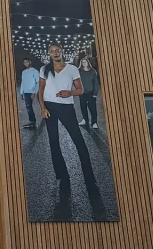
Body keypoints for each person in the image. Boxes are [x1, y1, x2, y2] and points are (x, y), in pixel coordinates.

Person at [38, 42, 100, 196]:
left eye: (57, 50)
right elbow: (40, 91)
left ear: (62, 51)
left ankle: (89, 175)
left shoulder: (72, 69)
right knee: (54, 141)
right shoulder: (44, 69)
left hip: (66, 108)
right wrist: (43, 108)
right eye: (52, 51)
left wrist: (69, 93)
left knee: (78, 139)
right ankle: (62, 175)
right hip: (49, 107)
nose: (55, 53)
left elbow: (80, 90)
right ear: (49, 54)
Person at [77, 57, 100, 129]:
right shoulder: (79, 71)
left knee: (92, 108)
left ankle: (94, 122)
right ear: (81, 63)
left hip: (91, 92)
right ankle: (85, 119)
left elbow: (96, 83)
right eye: (82, 62)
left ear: (88, 63)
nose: (84, 63)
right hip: (82, 93)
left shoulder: (93, 72)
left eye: (85, 62)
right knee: (83, 107)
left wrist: (95, 93)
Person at [20, 58, 41, 129]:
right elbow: (23, 82)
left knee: (36, 104)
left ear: (30, 62)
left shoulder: (34, 71)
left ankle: (33, 121)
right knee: (28, 107)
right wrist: (21, 92)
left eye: (27, 62)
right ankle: (32, 122)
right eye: (24, 62)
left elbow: (38, 82)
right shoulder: (24, 72)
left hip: (32, 91)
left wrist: (34, 91)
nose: (26, 64)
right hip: (26, 92)